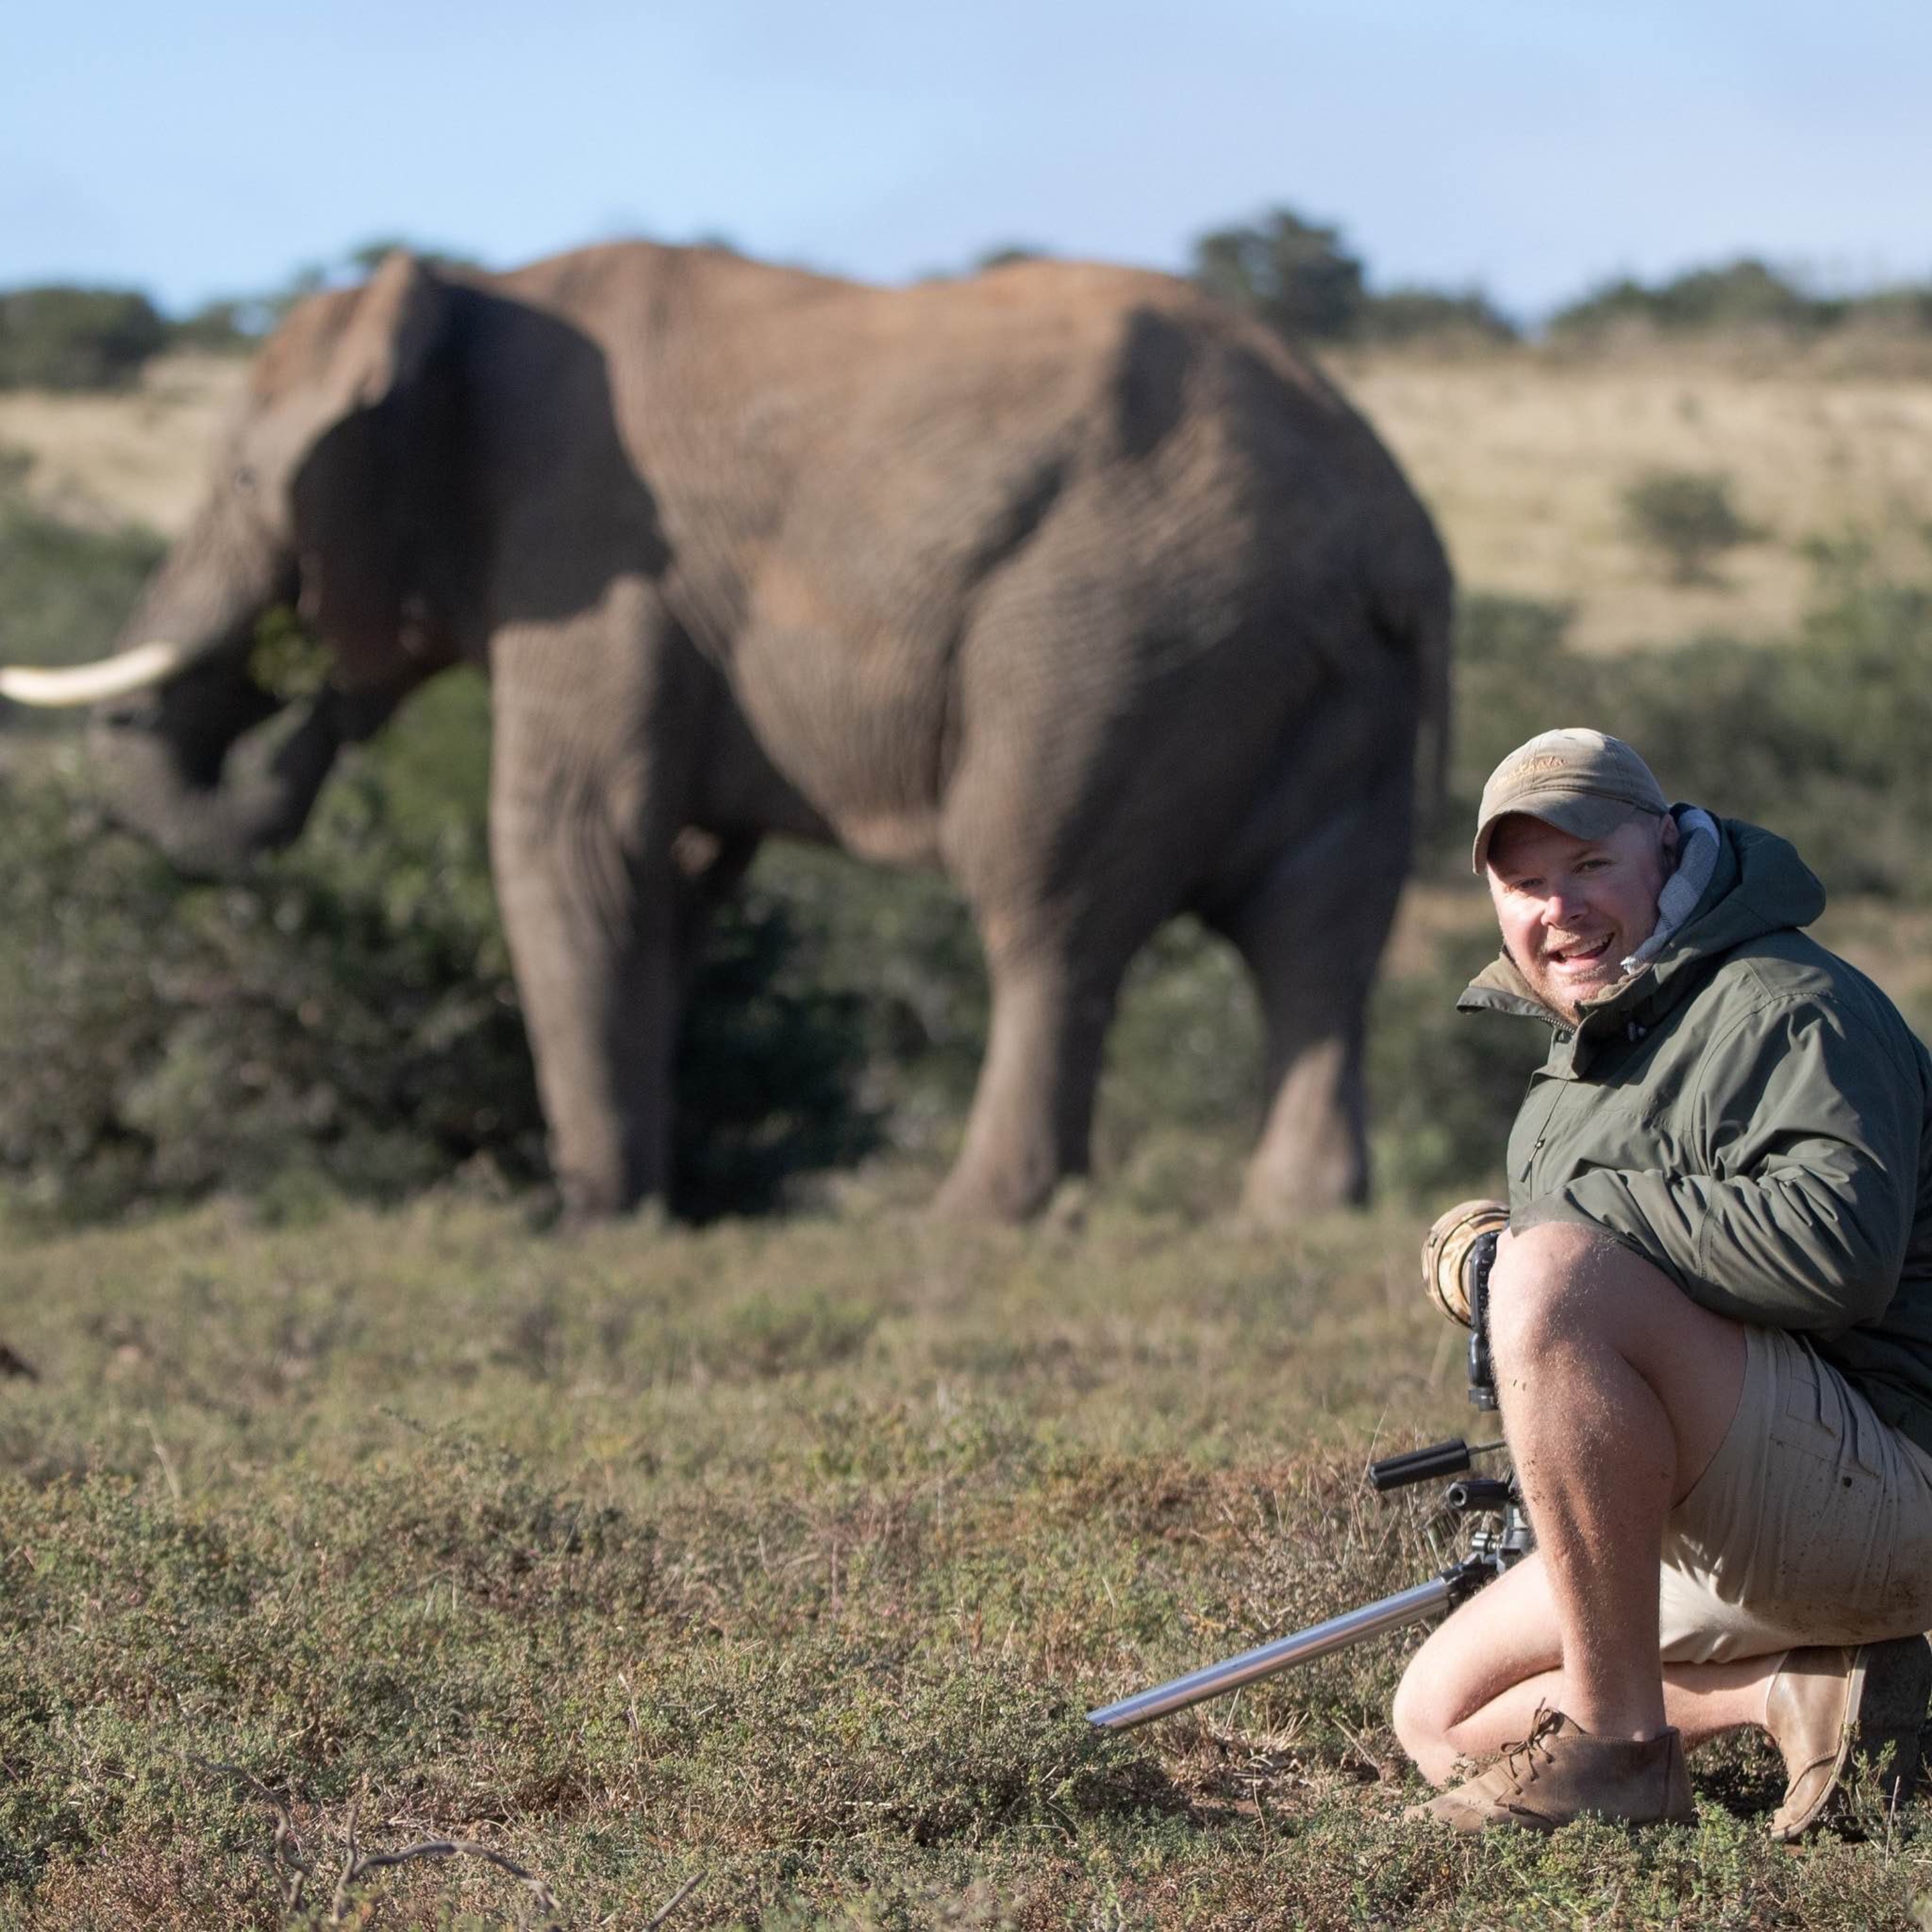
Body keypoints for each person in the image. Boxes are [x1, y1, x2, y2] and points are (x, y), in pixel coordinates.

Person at [1394, 727, 1932, 1835]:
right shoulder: (1586, 1051)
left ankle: (1620, 1757)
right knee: (1437, 1718)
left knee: (1549, 1275)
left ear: (1667, 849)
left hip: (1892, 1474)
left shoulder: (1791, 1007)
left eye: (1590, 867)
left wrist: (1548, 1238)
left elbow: (1839, 1251)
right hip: (1740, 1503)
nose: (1561, 909)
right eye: (1528, 884)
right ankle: (1795, 1695)